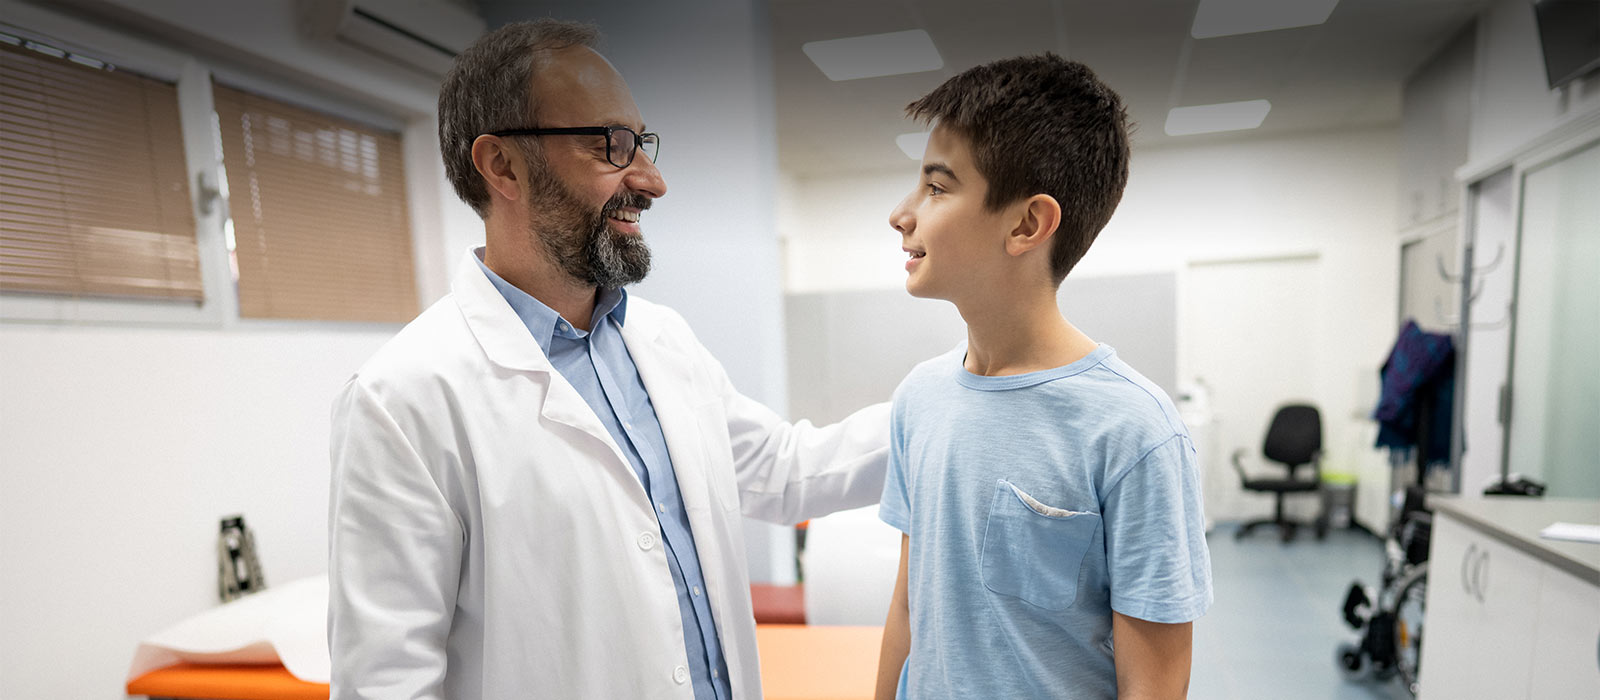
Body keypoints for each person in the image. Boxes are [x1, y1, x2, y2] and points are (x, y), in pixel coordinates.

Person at [327, 20, 889, 700]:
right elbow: (386, 683)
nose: (652, 180)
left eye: (642, 143)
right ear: (502, 165)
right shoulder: (405, 398)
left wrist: (954, 396)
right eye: (612, 146)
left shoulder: (662, 342)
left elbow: (786, 472)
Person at [872, 54, 1212, 700]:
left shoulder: (1135, 433)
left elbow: (1155, 684)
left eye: (936, 188)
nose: (902, 212)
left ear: (1027, 224)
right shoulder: (919, 400)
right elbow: (910, 612)